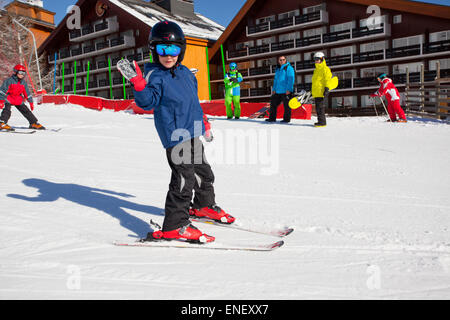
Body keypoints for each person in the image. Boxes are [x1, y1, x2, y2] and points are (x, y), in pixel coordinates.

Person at [121, 21, 234, 243]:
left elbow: (194, 102)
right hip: (175, 133)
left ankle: (202, 206)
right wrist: (138, 83)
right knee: (184, 178)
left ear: (180, 50)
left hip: (193, 129)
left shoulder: (185, 73)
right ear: (154, 51)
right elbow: (147, 102)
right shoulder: (154, 75)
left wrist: (204, 122)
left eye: (173, 49)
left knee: (203, 172)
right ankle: (175, 225)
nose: (168, 55)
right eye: (162, 49)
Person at [0, 65, 45, 131]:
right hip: (9, 98)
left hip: (18, 99)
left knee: (26, 111)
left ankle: (33, 123)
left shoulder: (23, 83)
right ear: (15, 72)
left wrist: (31, 102)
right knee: (7, 110)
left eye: (23, 73)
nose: (22, 75)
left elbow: (27, 93)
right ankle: (2, 123)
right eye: (20, 73)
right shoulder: (9, 81)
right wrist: (1, 101)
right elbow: (2, 91)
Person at [266, 56, 295, 123]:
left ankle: (286, 119)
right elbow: (275, 80)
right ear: (278, 61)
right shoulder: (278, 69)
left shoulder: (289, 68)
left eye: (283, 60)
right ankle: (272, 118)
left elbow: (291, 79)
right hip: (278, 91)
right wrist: (274, 89)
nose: (282, 61)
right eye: (280, 60)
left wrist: (289, 89)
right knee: (273, 103)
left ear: (285, 60)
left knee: (287, 106)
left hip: (286, 91)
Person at [311, 52, 333, 127]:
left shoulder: (325, 69)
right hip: (317, 92)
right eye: (315, 59)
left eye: (318, 59)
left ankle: (322, 122)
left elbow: (328, 79)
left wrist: (327, 88)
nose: (316, 61)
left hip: (321, 91)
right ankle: (320, 121)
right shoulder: (316, 70)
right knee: (317, 108)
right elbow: (315, 82)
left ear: (322, 59)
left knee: (320, 108)